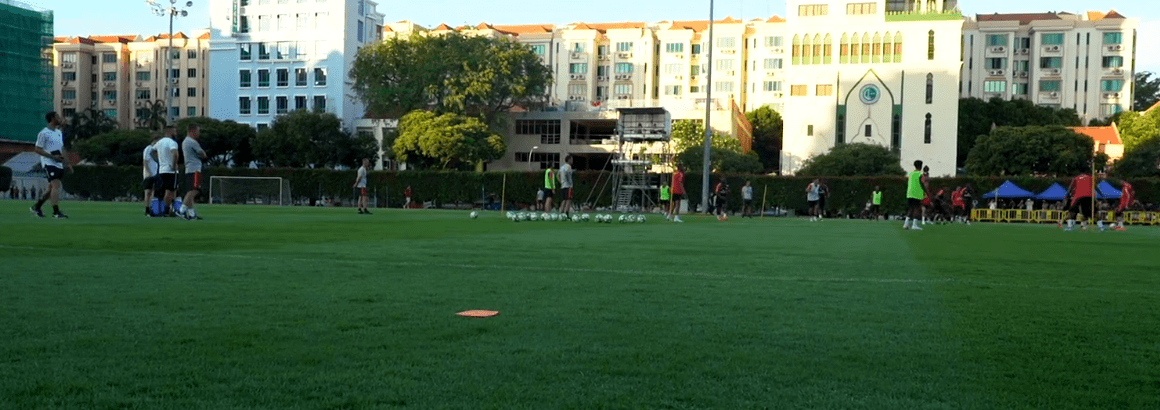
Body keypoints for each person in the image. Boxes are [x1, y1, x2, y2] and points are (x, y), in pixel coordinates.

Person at [30, 112, 71, 218]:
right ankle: (56, 212)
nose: (59, 118)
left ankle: (37, 207)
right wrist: (52, 157)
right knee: (56, 185)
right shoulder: (43, 133)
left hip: (58, 164)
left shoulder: (58, 132)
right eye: (58, 117)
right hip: (49, 163)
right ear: (53, 118)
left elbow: (62, 148)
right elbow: (37, 149)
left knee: (50, 188)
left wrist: (67, 162)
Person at [180, 124, 208, 220]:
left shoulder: (185, 142)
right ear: (193, 131)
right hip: (195, 169)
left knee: (191, 190)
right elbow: (202, 154)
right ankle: (182, 210)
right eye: (198, 131)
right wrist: (203, 155)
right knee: (194, 190)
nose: (199, 133)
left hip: (189, 168)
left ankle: (191, 213)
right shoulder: (192, 142)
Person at [154, 125, 181, 217]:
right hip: (170, 170)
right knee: (171, 191)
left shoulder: (159, 142)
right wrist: (174, 165)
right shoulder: (172, 142)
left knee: (166, 190)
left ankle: (168, 209)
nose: (176, 133)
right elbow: (175, 154)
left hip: (162, 170)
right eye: (174, 131)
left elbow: (152, 151)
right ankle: (165, 210)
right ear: (170, 132)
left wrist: (159, 161)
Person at [903, 160, 928, 230]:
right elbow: (923, 183)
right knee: (917, 209)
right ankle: (914, 225)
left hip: (910, 193)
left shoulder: (910, 173)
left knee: (910, 208)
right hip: (917, 193)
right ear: (921, 166)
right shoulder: (920, 174)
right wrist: (925, 192)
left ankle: (906, 223)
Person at [142, 133, 160, 216]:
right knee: (148, 192)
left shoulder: (157, 150)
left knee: (154, 192)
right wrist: (148, 172)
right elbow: (145, 161)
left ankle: (153, 208)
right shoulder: (148, 149)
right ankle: (147, 208)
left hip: (156, 173)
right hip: (149, 174)